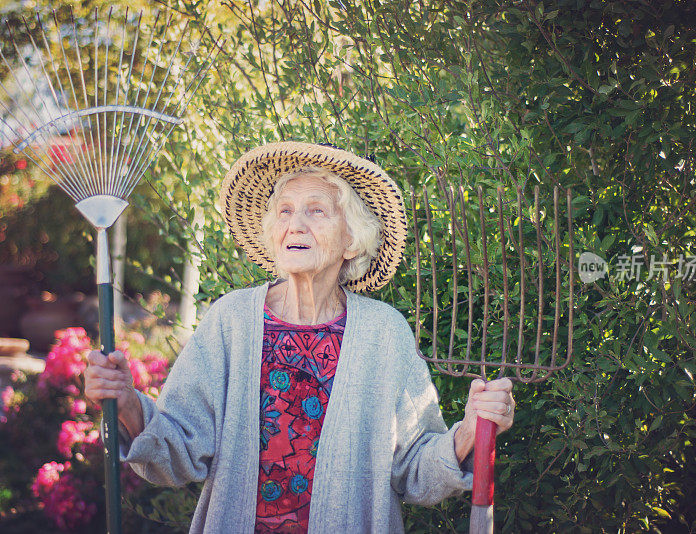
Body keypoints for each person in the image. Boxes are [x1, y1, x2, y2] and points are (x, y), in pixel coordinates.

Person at [84, 142, 515, 533]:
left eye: (316, 210)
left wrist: (468, 434)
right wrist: (126, 404)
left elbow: (414, 473)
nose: (295, 224)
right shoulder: (230, 321)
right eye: (285, 211)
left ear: (351, 241)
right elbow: (176, 450)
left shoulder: (384, 334)